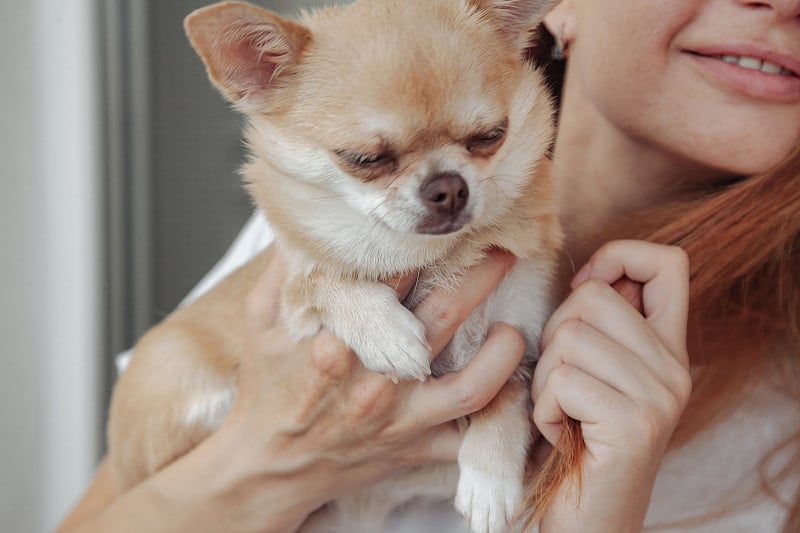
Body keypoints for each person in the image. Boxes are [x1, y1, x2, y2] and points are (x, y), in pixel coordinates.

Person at [58, 1, 800, 531]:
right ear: (555, 10)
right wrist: (265, 464)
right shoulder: (335, 219)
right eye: (372, 160)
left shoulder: (781, 418)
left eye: (483, 137)